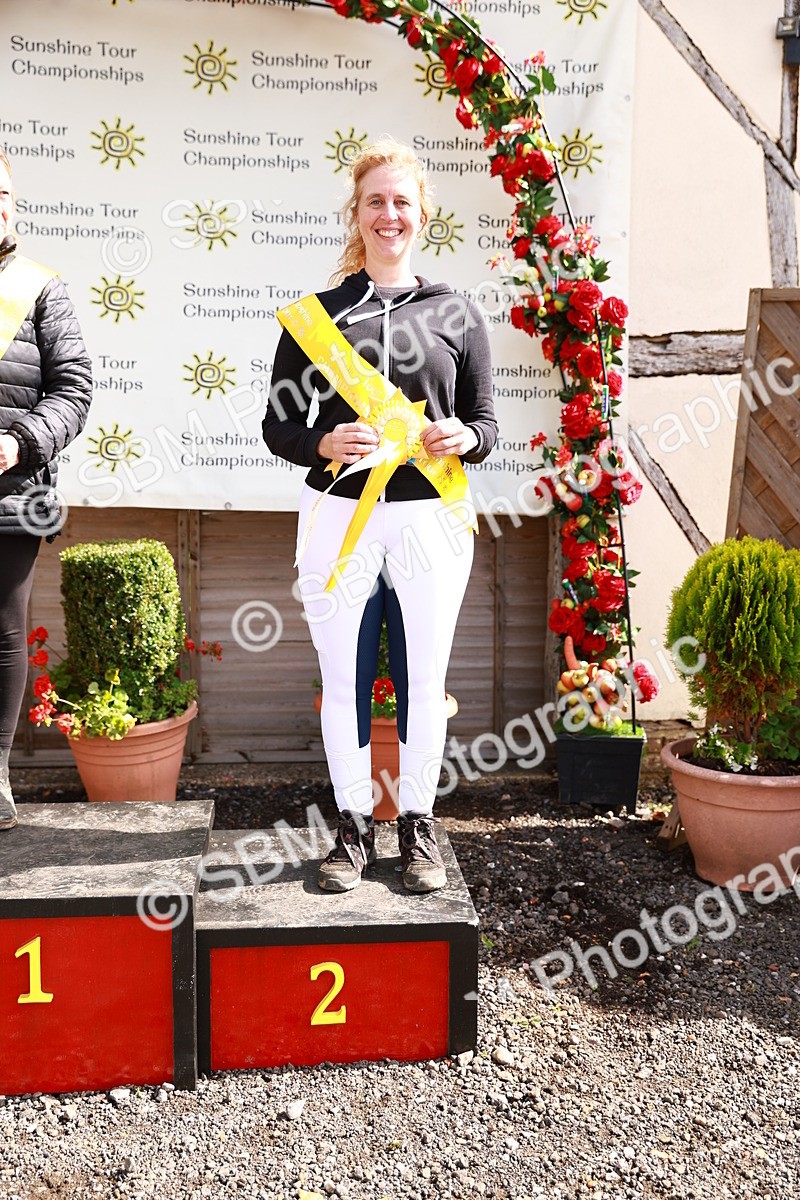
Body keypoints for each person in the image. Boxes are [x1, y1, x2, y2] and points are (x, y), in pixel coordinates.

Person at [263, 138, 497, 893]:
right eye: (375, 202)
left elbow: (486, 423)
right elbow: (277, 426)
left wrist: (467, 436)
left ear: (421, 215)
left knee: (424, 681)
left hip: (431, 521)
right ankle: (351, 828)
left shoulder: (456, 312)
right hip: (339, 518)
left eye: (402, 202)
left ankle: (419, 827)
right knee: (343, 682)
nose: (389, 214)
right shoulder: (315, 318)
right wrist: (321, 438)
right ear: (356, 215)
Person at [0, 149, 92, 829]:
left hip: (11, 495)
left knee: (3, 636)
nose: (3, 207)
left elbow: (73, 388)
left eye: (6, 195)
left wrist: (19, 442)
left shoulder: (38, 287)